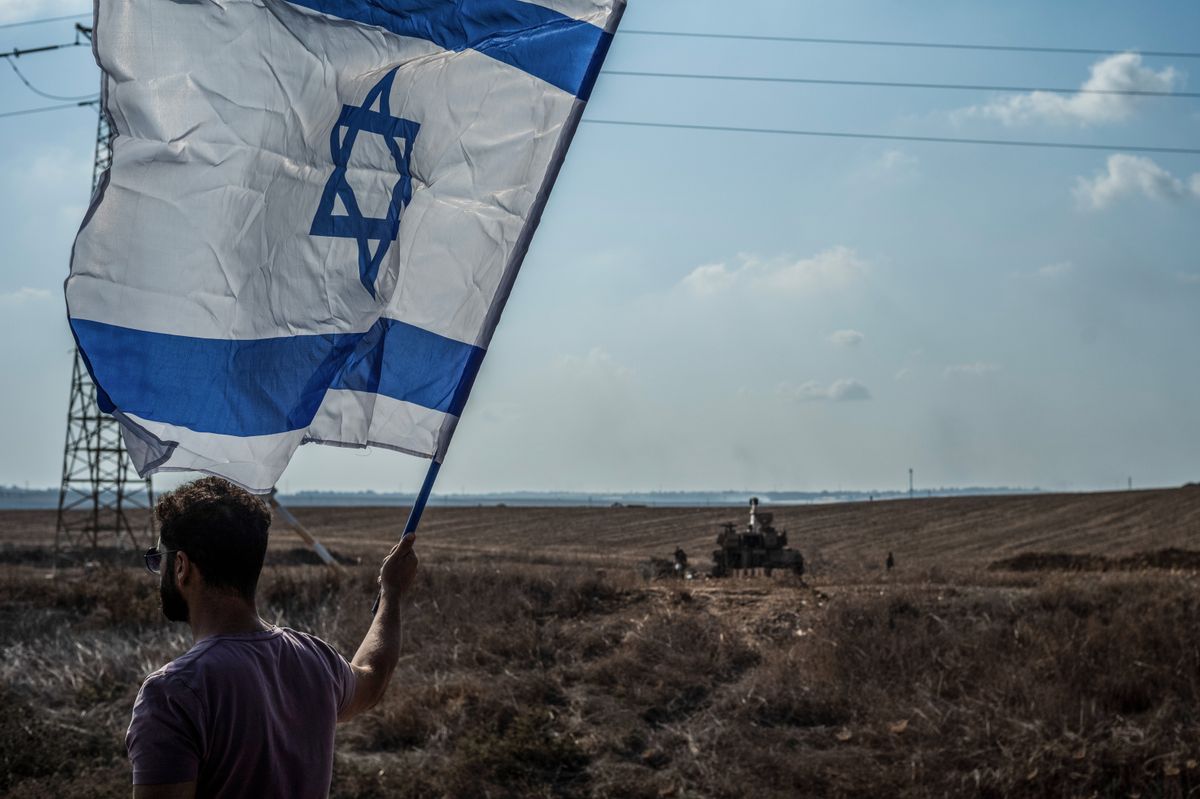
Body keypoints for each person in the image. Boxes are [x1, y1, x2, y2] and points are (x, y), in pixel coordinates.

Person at [126, 477, 418, 799]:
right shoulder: (315, 659)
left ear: (181, 567)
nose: (158, 570)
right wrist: (391, 594)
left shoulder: (173, 693)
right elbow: (372, 678)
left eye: (159, 560)